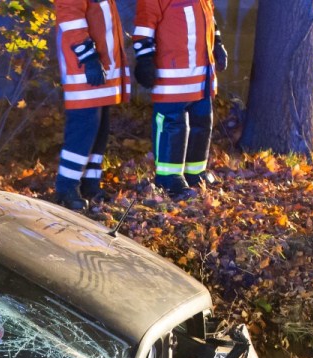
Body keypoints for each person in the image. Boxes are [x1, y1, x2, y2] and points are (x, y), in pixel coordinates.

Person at [132, 0, 227, 200]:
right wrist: (144, 60)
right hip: (171, 75)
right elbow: (144, 26)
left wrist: (217, 43)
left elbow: (209, 17)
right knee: (172, 125)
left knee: (201, 123)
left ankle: (195, 173)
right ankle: (168, 178)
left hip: (201, 76)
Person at [54, 0, 130, 211]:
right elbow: (69, 14)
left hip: (100, 64)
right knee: (83, 128)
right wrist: (88, 57)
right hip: (84, 65)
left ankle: (89, 184)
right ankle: (66, 187)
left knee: (99, 129)